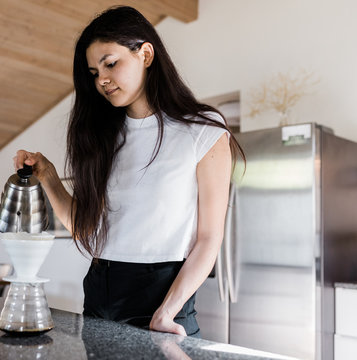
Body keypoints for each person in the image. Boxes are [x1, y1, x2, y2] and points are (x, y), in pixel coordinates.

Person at [13, 6, 244, 337]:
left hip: (163, 298)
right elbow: (84, 227)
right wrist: (47, 175)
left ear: (145, 54)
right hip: (98, 290)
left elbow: (209, 238)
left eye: (110, 63)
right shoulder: (103, 136)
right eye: (94, 72)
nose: (102, 79)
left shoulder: (203, 129)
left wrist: (167, 311)